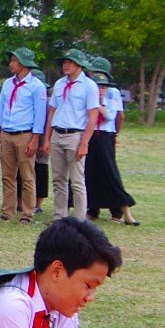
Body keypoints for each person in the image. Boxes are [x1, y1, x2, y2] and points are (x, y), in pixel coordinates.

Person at [42, 49, 99, 224]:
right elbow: (52, 111)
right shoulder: (60, 84)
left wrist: (84, 143)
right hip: (58, 133)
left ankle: (81, 220)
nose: (66, 65)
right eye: (64, 62)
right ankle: (60, 217)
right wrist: (47, 138)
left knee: (77, 181)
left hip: (75, 134)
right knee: (58, 179)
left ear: (79, 65)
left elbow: (93, 116)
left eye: (70, 62)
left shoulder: (89, 86)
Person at [0, 49, 48, 223]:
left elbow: (40, 115)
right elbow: (1, 108)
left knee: (27, 175)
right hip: (7, 133)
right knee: (7, 175)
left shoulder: (37, 86)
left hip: (25, 134)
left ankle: (27, 212)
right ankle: (8, 210)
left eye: (14, 61)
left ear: (24, 64)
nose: (11, 64)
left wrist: (35, 139)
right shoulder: (8, 84)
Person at [82, 59, 139, 225]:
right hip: (90, 134)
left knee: (110, 172)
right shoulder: (87, 89)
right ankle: (92, 208)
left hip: (105, 135)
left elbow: (116, 116)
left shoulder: (112, 92)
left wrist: (115, 133)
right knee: (90, 172)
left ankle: (119, 209)